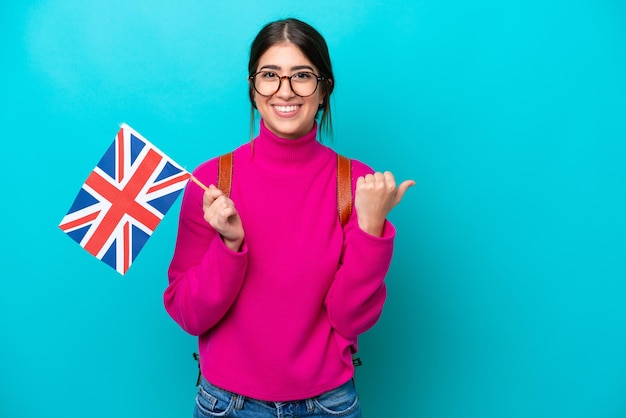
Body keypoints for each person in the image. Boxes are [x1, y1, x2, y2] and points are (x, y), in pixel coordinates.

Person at [164, 17, 414, 417]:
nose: (285, 90)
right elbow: (189, 313)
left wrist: (371, 229)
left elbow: (351, 319)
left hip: (328, 404)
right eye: (270, 75)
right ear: (253, 87)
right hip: (227, 405)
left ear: (324, 89)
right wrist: (230, 246)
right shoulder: (211, 182)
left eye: (302, 75)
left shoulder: (358, 185)